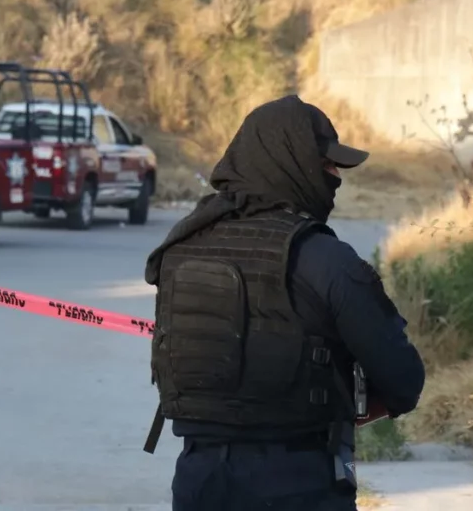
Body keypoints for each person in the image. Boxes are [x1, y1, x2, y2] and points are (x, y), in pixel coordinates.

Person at [142, 95, 426, 511]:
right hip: (298, 481)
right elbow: (404, 378)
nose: (335, 177)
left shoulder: (179, 247)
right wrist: (352, 404)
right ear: (289, 160)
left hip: (197, 480)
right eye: (326, 163)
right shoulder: (325, 259)